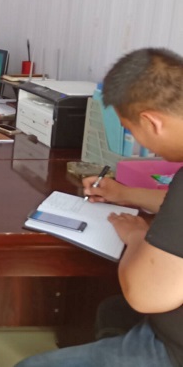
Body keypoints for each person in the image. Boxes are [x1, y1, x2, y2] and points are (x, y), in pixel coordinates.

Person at [16, 47, 183, 367]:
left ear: (152, 122)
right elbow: (174, 205)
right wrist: (125, 194)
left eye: (131, 131)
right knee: (111, 310)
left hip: (173, 348)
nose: (139, 143)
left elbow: (144, 295)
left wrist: (136, 236)